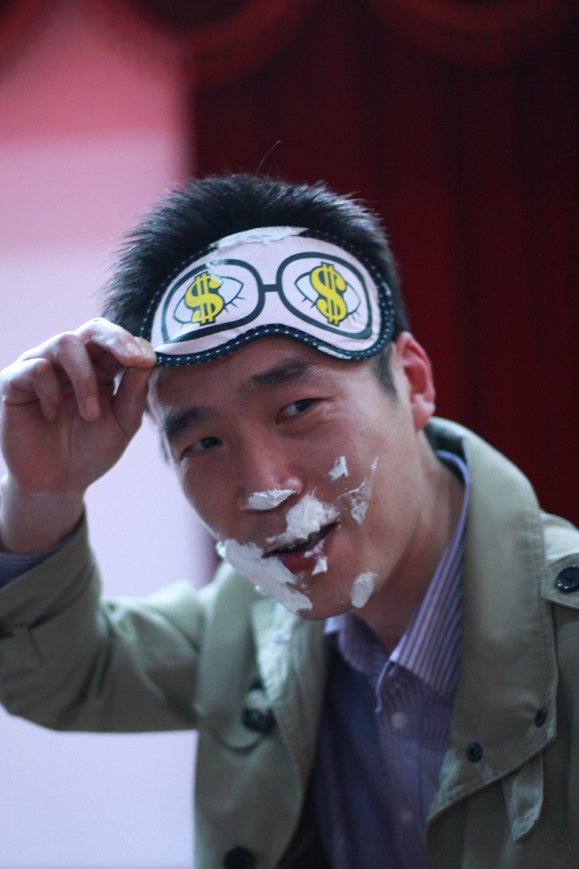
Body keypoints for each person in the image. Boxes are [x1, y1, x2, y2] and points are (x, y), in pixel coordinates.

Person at [1, 174, 579, 869]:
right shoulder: (245, 623)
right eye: (203, 443)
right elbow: (60, 674)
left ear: (413, 382)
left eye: (298, 408)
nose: (262, 488)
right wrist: (41, 493)